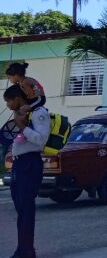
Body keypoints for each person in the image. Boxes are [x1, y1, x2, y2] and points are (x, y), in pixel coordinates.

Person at [5, 83, 48, 258]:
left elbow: (41, 140)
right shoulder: (22, 114)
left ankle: (27, 251)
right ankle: (22, 249)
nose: (7, 105)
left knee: (26, 210)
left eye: (8, 101)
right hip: (19, 164)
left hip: (30, 164)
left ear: (17, 99)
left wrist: (22, 127)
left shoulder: (39, 114)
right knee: (21, 210)